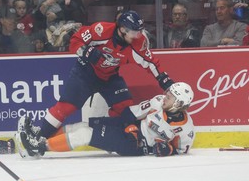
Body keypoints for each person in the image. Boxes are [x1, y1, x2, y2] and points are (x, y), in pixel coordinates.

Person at [16, 10, 174, 147]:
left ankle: (118, 139)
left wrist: (164, 80)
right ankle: (39, 138)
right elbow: (75, 41)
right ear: (123, 29)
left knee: (124, 108)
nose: (138, 35)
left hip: (110, 77)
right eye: (134, 31)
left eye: (139, 31)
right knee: (66, 107)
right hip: (85, 73)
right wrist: (86, 51)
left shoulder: (138, 43)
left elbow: (151, 63)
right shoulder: (101, 30)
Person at [16, 82, 195, 158]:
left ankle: (38, 148)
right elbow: (131, 114)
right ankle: (40, 139)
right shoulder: (157, 101)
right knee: (83, 125)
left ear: (178, 104)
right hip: (131, 128)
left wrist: (169, 149)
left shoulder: (186, 129)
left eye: (170, 97)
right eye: (167, 93)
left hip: (137, 145)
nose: (165, 97)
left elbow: (181, 149)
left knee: (85, 134)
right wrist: (107, 122)